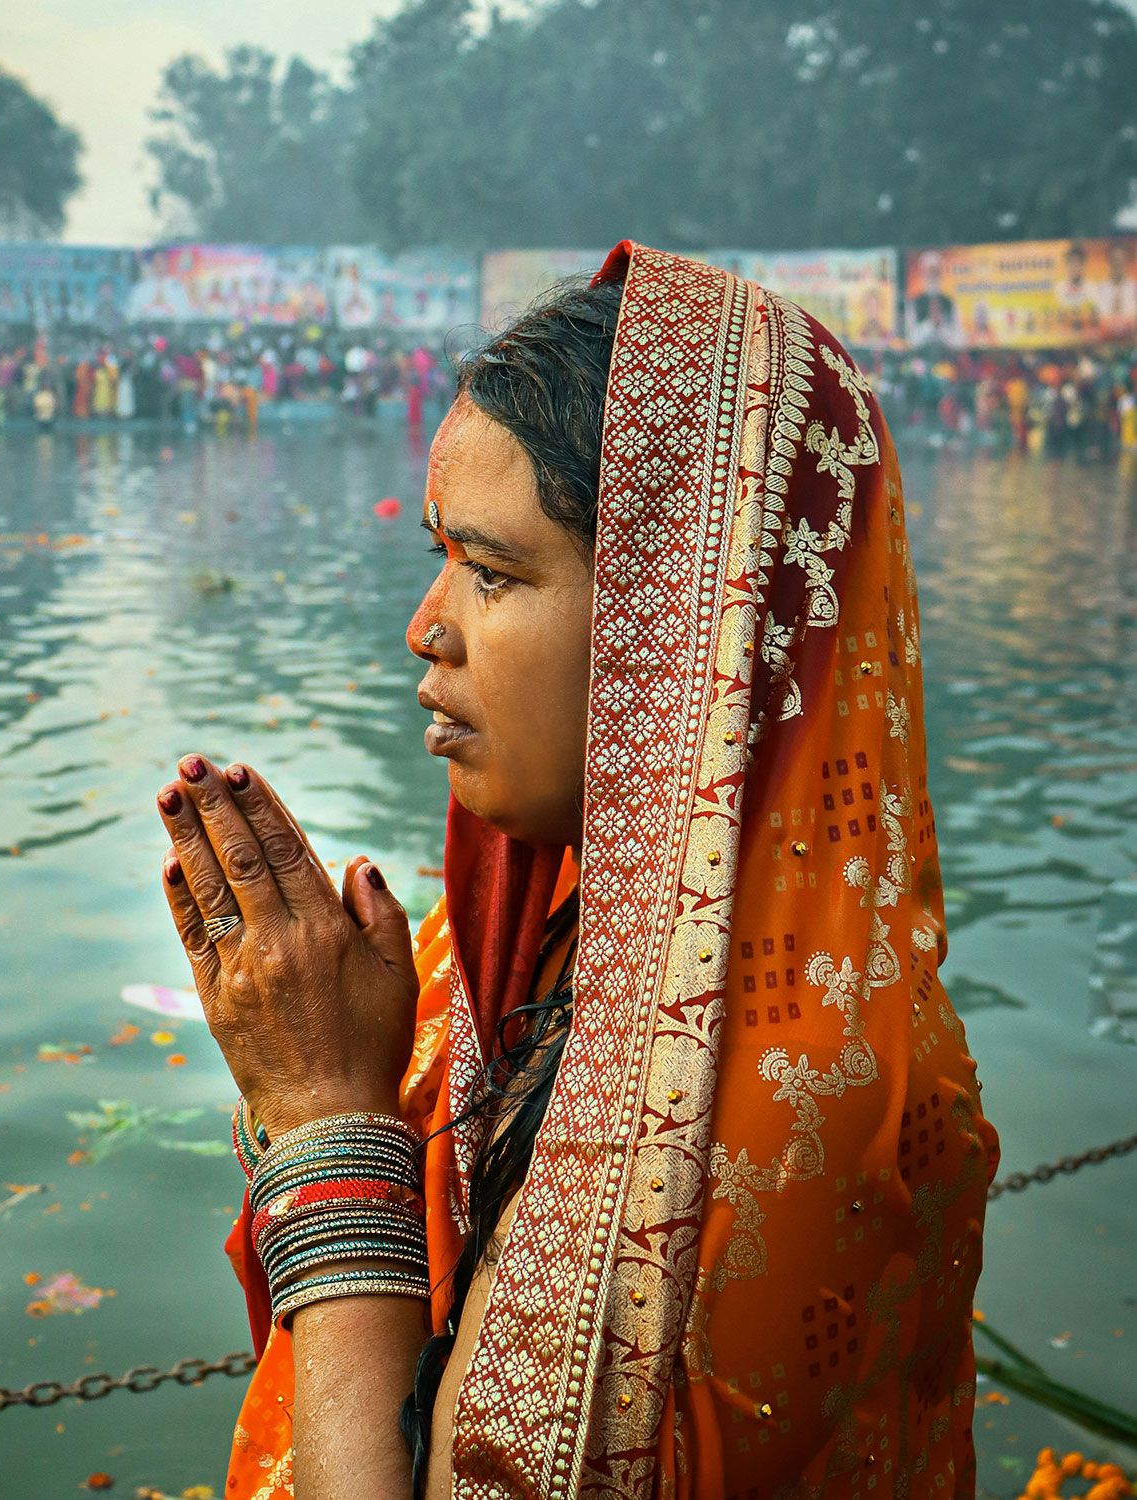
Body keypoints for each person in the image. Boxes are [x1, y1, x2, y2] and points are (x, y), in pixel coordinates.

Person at [153, 242, 998, 1498]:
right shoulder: (557, 946)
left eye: (492, 574)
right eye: (441, 555)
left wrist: (327, 1112)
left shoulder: (779, 1113)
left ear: (684, 632)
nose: (425, 628)